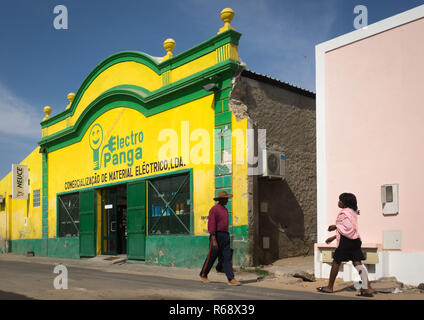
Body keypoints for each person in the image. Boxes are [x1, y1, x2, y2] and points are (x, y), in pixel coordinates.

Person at [317, 193, 374, 297]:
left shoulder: (344, 213)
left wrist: (336, 227)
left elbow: (348, 229)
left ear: (345, 203)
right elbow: (348, 229)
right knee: (358, 263)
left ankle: (329, 287)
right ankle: (368, 288)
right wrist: (333, 236)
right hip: (354, 240)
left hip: (346, 242)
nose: (338, 202)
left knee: (336, 261)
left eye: (340, 200)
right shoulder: (352, 212)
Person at [199, 190, 241, 286]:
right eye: (226, 199)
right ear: (221, 199)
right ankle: (203, 274)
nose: (227, 200)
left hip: (225, 236)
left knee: (227, 257)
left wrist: (227, 236)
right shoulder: (214, 209)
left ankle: (231, 278)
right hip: (216, 235)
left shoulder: (225, 210)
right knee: (211, 257)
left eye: (227, 199)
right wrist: (213, 238)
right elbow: (212, 223)